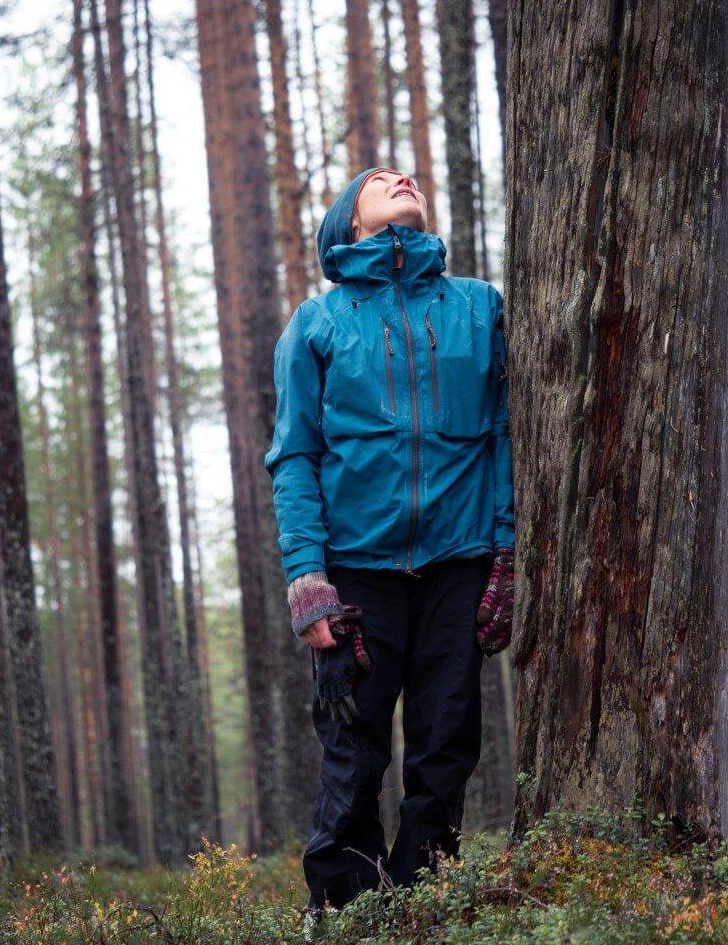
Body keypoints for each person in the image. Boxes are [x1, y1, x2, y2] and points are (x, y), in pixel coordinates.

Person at [264, 167, 516, 915]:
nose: (400, 176)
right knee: (352, 751)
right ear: (348, 224)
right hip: (354, 576)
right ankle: (342, 913)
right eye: (378, 179)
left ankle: (426, 909)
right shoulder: (317, 322)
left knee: (446, 748)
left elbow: (506, 436)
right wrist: (308, 577)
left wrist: (504, 553)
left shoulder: (479, 308)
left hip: (458, 565)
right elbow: (295, 456)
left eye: (407, 175)